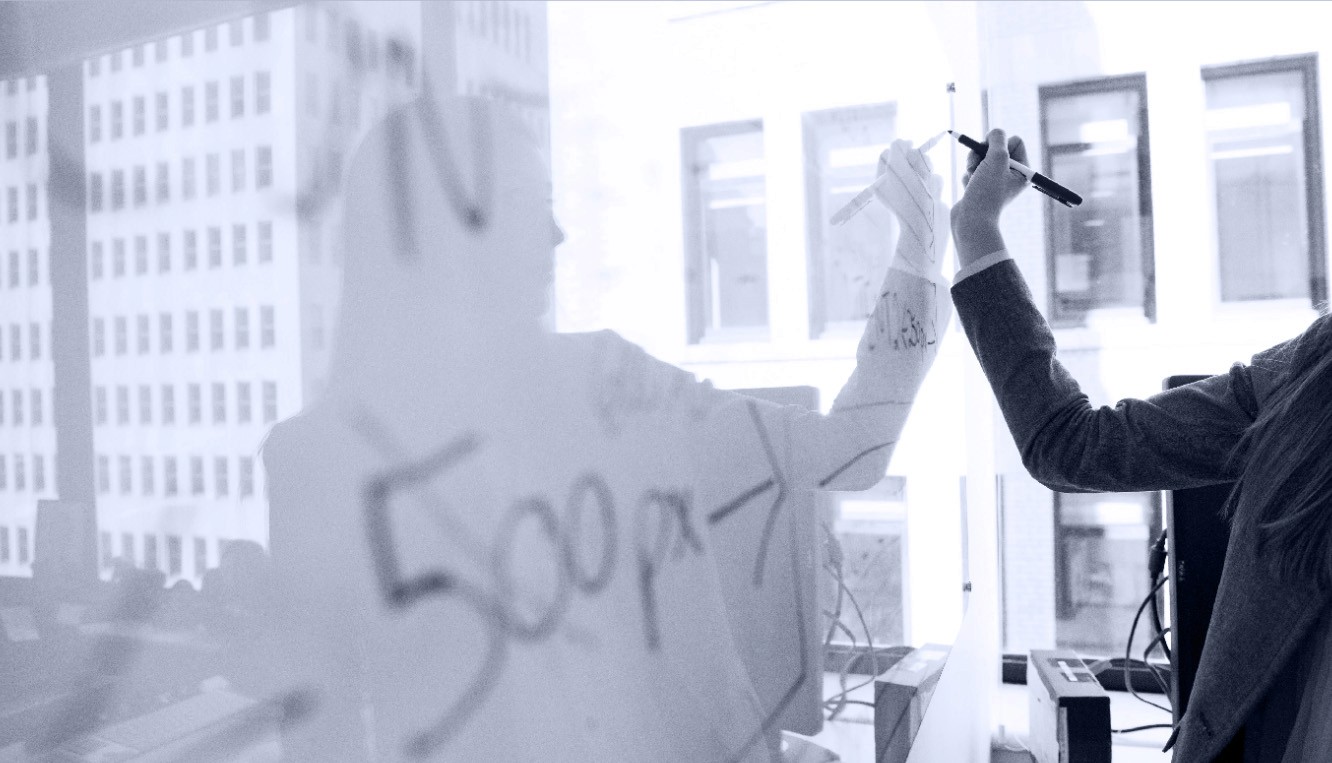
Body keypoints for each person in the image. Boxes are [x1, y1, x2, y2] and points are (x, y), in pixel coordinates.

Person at [259, 95, 955, 761]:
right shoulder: (606, 385)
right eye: (535, 208)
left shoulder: (311, 460)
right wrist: (921, 247)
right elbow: (849, 452)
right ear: (457, 233)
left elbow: (321, 742)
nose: (558, 236)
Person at [949, 128, 1332, 762]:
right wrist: (978, 231)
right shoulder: (1310, 380)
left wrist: (977, 227)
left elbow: (1069, 444)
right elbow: (1073, 444)